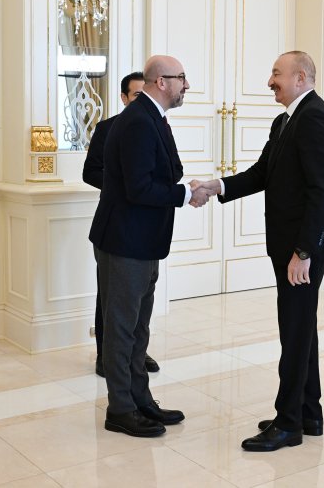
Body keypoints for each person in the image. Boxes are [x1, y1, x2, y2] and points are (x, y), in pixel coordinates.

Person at [194, 51, 324, 452]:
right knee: (300, 328)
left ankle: (288, 423)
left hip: (303, 250)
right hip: (290, 245)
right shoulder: (285, 120)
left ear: (301, 77)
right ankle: (308, 413)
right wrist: (217, 186)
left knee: (294, 331)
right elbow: (263, 173)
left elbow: (323, 192)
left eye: (276, 73)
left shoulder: (316, 118)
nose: (270, 81)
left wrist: (303, 252)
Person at [88, 55, 210, 438]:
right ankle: (120, 409)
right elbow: (140, 188)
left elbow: (170, 170)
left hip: (142, 241)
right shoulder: (139, 121)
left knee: (138, 328)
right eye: (181, 78)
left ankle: (140, 399)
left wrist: (181, 187)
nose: (186, 85)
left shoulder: (153, 117)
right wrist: (184, 194)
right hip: (126, 241)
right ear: (161, 81)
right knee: (122, 329)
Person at [83, 71, 161, 378]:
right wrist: (124, 185)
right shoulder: (107, 128)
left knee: (139, 297)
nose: (143, 100)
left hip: (146, 226)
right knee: (110, 297)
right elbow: (90, 172)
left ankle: (136, 353)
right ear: (124, 98)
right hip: (115, 224)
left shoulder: (157, 124)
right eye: (137, 95)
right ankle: (105, 355)